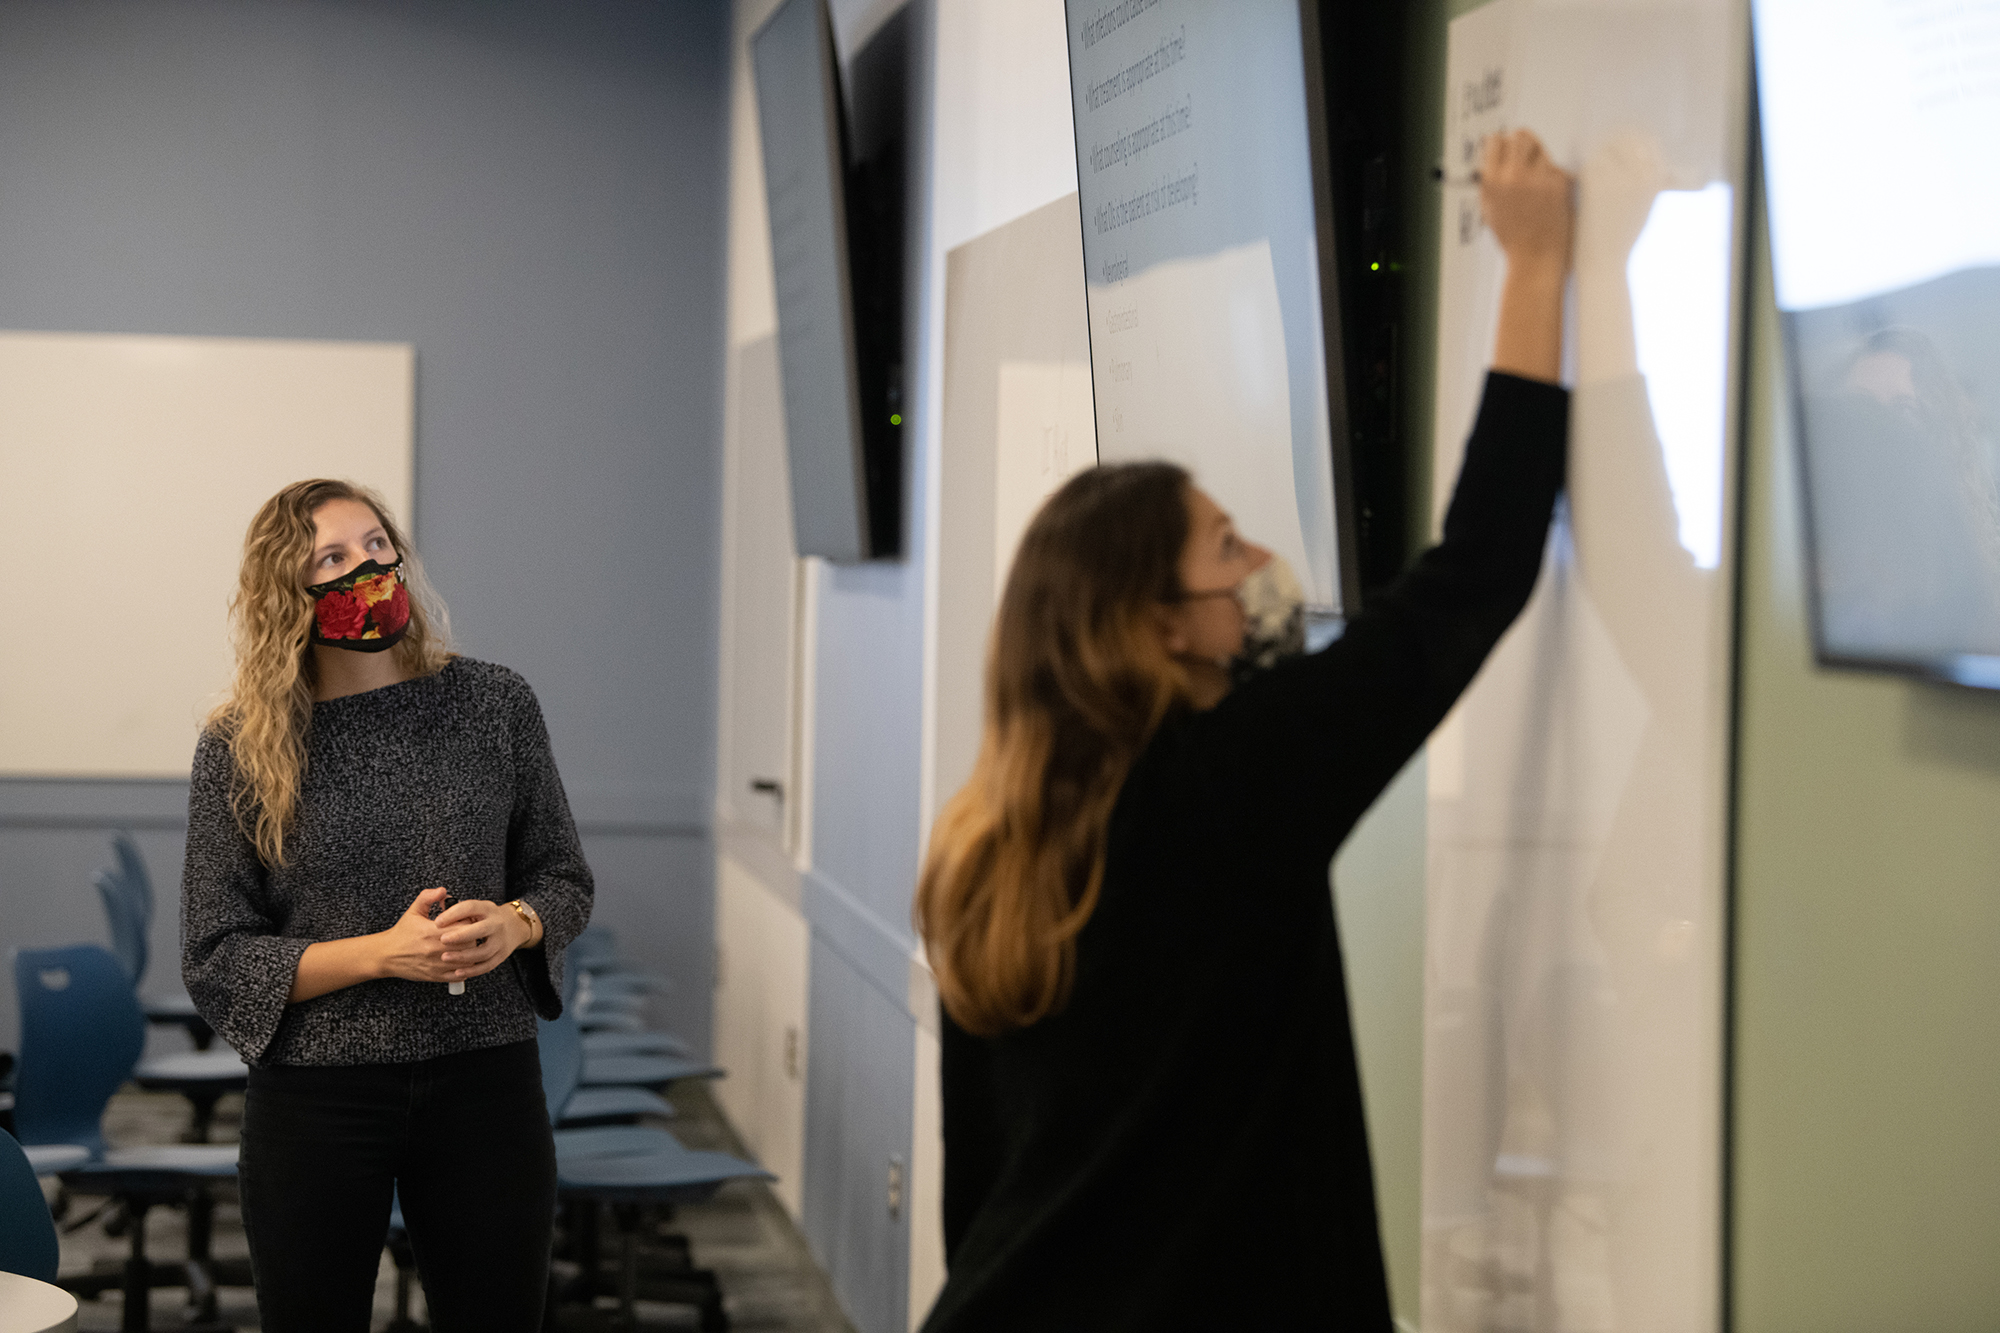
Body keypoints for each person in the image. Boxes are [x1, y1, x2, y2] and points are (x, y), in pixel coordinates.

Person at [912, 130, 1574, 1330]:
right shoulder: (1231, 782)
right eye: (1226, 547)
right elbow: (1472, 574)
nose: (1262, 563)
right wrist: (1535, 268)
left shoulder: (981, 840)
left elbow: (977, 1182)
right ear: (1155, 624)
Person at [180, 479, 592, 1332]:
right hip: (315, 1097)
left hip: (486, 1076)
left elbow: (563, 878)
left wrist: (517, 923)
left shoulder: (494, 702)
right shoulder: (239, 747)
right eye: (331, 557)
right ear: (288, 596)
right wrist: (380, 953)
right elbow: (216, 953)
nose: (366, 566)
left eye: (375, 544)